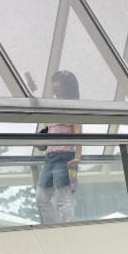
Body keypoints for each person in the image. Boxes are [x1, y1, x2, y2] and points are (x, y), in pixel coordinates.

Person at [36, 70, 82, 224]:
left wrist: (77, 157)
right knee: (41, 196)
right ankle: (54, 226)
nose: (55, 87)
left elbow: (78, 133)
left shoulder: (73, 107)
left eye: (58, 83)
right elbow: (48, 130)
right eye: (54, 84)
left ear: (66, 86)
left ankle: (65, 228)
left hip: (65, 157)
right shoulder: (52, 108)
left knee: (64, 197)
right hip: (50, 158)